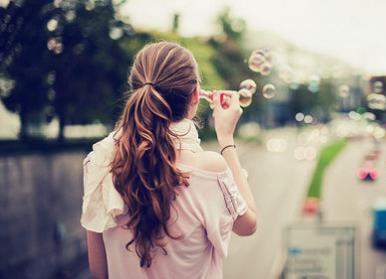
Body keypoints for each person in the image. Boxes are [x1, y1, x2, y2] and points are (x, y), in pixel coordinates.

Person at [80, 42, 257, 279]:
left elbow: (100, 271)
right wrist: (226, 138)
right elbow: (249, 225)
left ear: (137, 91)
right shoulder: (208, 168)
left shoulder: (98, 162)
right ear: (195, 95)